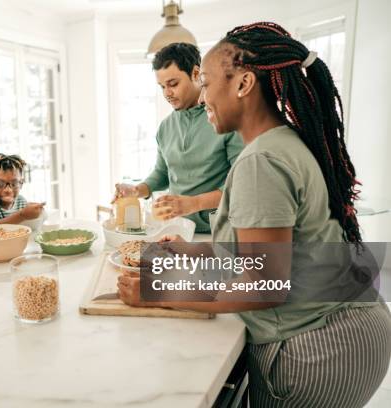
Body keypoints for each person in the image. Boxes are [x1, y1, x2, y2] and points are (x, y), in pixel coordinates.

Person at [117, 22, 391, 407]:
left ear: (243, 84)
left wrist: (158, 292)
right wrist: (189, 251)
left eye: (207, 82)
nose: (204, 95)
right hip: (351, 323)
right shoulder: (283, 141)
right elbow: (267, 255)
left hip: (320, 347)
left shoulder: (259, 162)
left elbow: (264, 285)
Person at [114, 42, 243, 233]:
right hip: (177, 230)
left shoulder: (224, 120)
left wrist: (193, 203)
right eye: (162, 86)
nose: (167, 93)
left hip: (220, 232)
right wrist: (136, 190)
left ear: (196, 74)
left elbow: (241, 186)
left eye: (173, 84)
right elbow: (162, 173)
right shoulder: (165, 127)